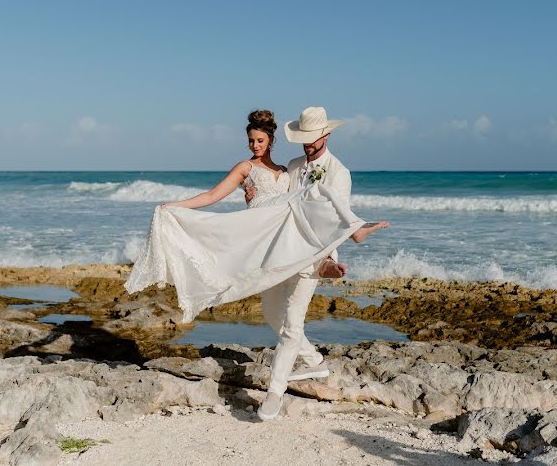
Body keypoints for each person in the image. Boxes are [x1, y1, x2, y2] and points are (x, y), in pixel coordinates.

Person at [125, 108, 387, 415]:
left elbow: (330, 212)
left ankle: (274, 394)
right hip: (275, 251)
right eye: (251, 140)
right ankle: (315, 363)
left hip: (311, 252)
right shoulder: (292, 167)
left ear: (326, 136)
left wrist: (346, 236)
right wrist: (175, 206)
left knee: (292, 324)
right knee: (271, 312)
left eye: (259, 140)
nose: (308, 144)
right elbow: (217, 196)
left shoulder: (337, 171)